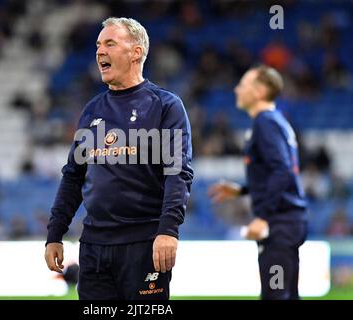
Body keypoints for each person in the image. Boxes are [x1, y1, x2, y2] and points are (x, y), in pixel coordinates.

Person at [44, 17, 193, 300]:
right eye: (98, 45)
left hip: (144, 245)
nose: (100, 51)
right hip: (94, 248)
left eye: (110, 43)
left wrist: (168, 231)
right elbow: (73, 175)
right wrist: (55, 233)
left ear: (136, 52)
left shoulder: (166, 106)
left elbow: (178, 172)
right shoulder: (92, 110)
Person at [208, 65, 308, 300]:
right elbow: (281, 171)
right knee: (286, 294)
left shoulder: (266, 123)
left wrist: (263, 216)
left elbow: (282, 170)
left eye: (243, 84)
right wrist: (242, 190)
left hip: (279, 223)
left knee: (275, 295)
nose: (236, 89)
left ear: (260, 91)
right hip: (288, 221)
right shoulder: (275, 121)